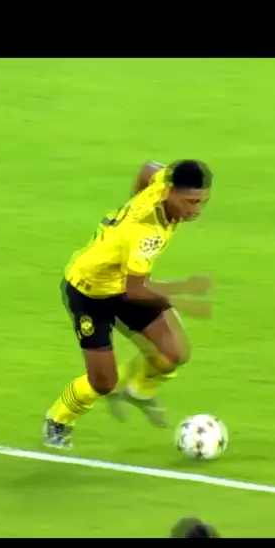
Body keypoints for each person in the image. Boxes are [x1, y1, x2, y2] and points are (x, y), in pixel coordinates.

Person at [43, 159, 213, 449]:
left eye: (201, 202)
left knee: (173, 352)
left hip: (123, 283)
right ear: (170, 192)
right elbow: (136, 291)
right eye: (190, 202)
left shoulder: (163, 182)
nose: (195, 210)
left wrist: (132, 203)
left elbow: (148, 168)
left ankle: (137, 389)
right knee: (102, 382)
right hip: (90, 292)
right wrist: (182, 295)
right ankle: (59, 419)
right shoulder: (146, 233)